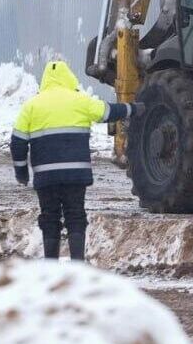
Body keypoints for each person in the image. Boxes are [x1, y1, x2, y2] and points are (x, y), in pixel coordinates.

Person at [10, 61, 138, 261]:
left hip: (46, 177)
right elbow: (108, 112)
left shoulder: (31, 105)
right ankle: (77, 264)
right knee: (75, 216)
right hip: (75, 176)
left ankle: (51, 265)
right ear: (68, 77)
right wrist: (133, 108)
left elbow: (17, 143)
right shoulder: (81, 100)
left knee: (49, 218)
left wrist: (21, 173)